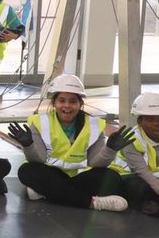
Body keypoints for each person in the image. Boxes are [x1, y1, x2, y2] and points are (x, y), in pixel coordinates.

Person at [8, 73, 133, 212]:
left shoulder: (94, 125)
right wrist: (28, 145)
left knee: (112, 177)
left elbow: (95, 163)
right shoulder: (39, 122)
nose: (67, 106)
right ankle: (92, 203)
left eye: (73, 101)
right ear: (54, 103)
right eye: (62, 100)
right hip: (50, 173)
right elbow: (39, 159)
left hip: (78, 178)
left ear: (81, 104)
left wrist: (110, 149)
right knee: (27, 170)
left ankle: (47, 191)